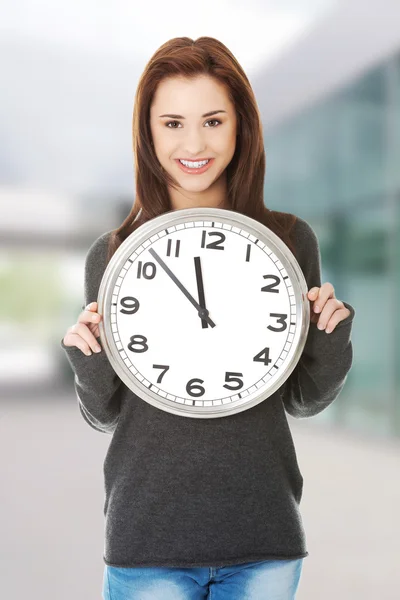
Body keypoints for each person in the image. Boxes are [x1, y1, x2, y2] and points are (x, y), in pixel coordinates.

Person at [61, 36, 355, 600]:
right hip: (147, 540)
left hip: (263, 536)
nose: (193, 143)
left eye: (213, 121)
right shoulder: (114, 255)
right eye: (172, 123)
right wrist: (87, 359)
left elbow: (303, 399)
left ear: (241, 126)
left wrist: (331, 338)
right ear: (147, 133)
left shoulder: (289, 242)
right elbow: (103, 414)